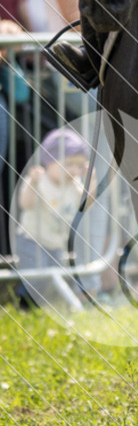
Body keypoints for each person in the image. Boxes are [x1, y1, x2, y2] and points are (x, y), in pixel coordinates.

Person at [13, 127, 94, 310]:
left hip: (56, 242)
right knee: (35, 277)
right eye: (69, 163)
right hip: (32, 240)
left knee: (53, 276)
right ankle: (23, 302)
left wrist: (92, 181)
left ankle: (41, 304)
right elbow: (26, 204)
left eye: (78, 165)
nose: (74, 170)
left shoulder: (74, 184)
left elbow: (86, 202)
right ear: (50, 161)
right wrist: (32, 183)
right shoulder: (39, 180)